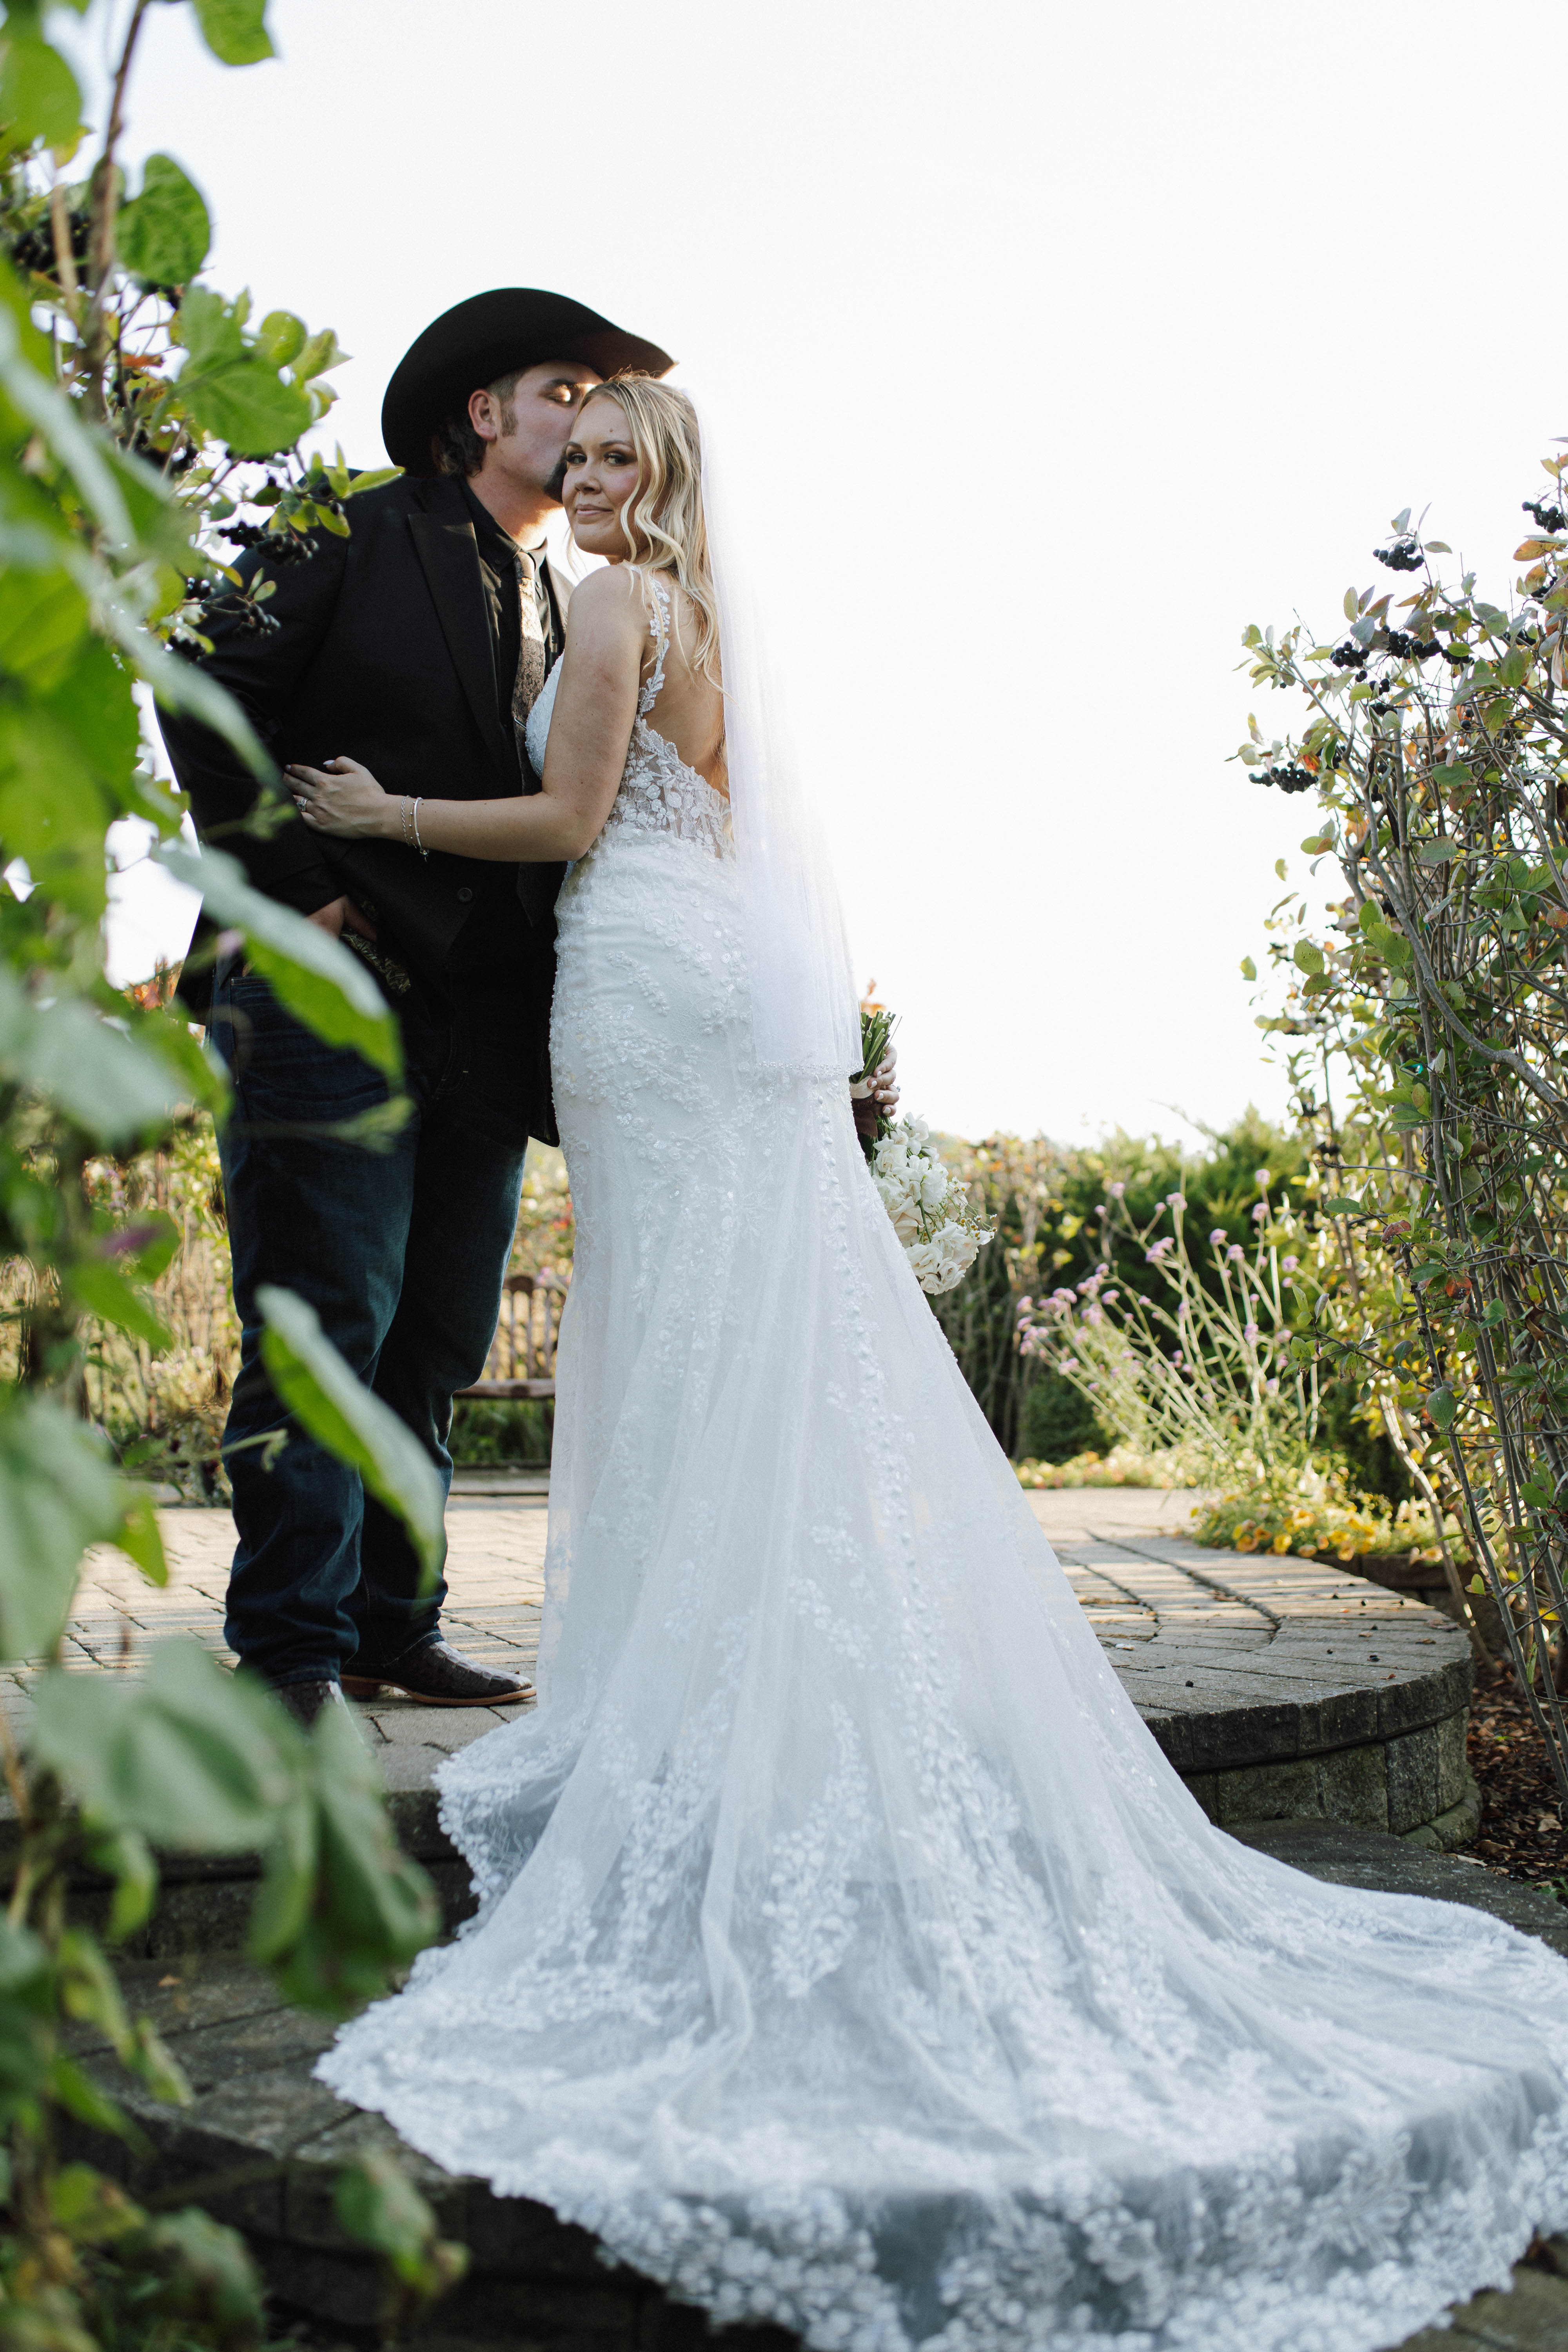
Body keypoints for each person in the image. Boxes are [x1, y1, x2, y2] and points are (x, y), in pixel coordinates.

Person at [298, 380, 1568, 2352]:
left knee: (696, 1334)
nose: (593, 476)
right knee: (740, 1336)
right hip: (699, 980)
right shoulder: (708, 618)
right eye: (583, 454)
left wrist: (384, 818)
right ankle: (734, 1669)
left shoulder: (625, 606)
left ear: (670, 477)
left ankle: (705, 1696)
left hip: (639, 973)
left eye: (624, 456)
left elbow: (562, 820)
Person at [158, 292, 673, 1727]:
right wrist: (298, 882)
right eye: (564, 387)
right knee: (326, 1316)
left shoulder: (576, 597)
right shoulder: (347, 523)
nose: (589, 417)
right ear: (482, 414)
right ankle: (288, 1650)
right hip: (326, 989)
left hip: (489, 1028)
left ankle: (394, 1624)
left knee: (437, 1337)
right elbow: (198, 679)